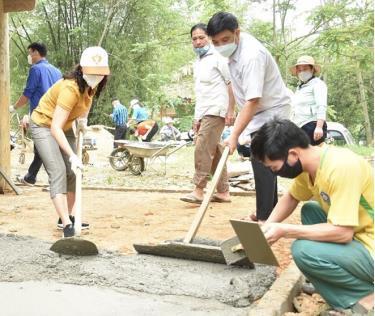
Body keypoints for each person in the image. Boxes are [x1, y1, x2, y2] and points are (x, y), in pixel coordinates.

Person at [250, 118, 374, 316]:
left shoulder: (341, 167)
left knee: (303, 250)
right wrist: (267, 226)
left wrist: (285, 230)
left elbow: (343, 233)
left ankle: (366, 298)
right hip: (360, 235)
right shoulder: (307, 166)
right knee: (311, 210)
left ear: (292, 154)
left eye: (274, 167)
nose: (275, 173)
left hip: (370, 244)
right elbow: (291, 197)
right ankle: (337, 281)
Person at [207, 12, 291, 220]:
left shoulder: (251, 55)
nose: (221, 45)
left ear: (237, 33)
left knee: (261, 159)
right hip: (257, 111)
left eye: (225, 39)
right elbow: (240, 89)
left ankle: (265, 217)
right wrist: (234, 112)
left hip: (272, 110)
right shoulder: (231, 54)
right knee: (263, 160)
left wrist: (234, 135)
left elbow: (253, 100)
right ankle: (268, 211)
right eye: (216, 42)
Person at [30, 46, 110, 237]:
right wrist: (73, 155)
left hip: (65, 127)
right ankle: (67, 225)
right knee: (58, 170)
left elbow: (86, 103)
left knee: (74, 173)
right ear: (82, 69)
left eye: (100, 74)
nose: (96, 77)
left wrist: (83, 120)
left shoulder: (94, 83)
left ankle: (66, 216)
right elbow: (54, 127)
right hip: (44, 125)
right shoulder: (70, 88)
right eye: (92, 73)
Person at [180, 23, 235, 205]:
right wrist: (196, 118)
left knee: (202, 147)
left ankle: (198, 189)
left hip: (217, 110)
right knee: (214, 150)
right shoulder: (198, 63)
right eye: (194, 39)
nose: (198, 41)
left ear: (209, 38)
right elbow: (201, 93)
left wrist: (231, 110)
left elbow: (231, 83)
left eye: (201, 37)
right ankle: (223, 191)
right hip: (205, 111)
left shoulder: (219, 56)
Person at [10, 42, 62, 186]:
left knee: (43, 148)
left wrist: (13, 108)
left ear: (36, 53)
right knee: (43, 147)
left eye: (30, 52)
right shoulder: (56, 71)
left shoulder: (35, 69)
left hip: (40, 115)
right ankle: (31, 177)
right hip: (56, 114)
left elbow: (28, 94)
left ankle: (54, 181)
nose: (29, 56)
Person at [290, 55, 328, 145]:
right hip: (299, 126)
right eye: (299, 70)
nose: (302, 72)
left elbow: (321, 106)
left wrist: (319, 127)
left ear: (312, 69)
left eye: (305, 69)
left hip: (311, 125)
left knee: (310, 155)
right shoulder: (300, 87)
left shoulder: (318, 84)